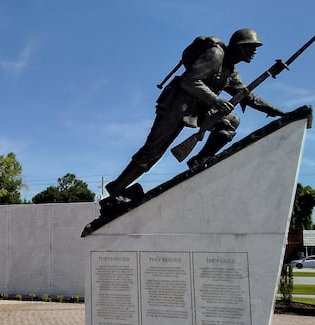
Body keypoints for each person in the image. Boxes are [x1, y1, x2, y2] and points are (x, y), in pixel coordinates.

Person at [105, 28, 290, 198]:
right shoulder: (216, 55)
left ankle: (199, 160)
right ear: (240, 47)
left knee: (230, 122)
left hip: (198, 107)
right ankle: (116, 188)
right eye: (251, 47)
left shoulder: (230, 70)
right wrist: (217, 100)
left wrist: (278, 112)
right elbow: (189, 80)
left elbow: (247, 96)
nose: (255, 52)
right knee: (152, 152)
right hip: (176, 105)